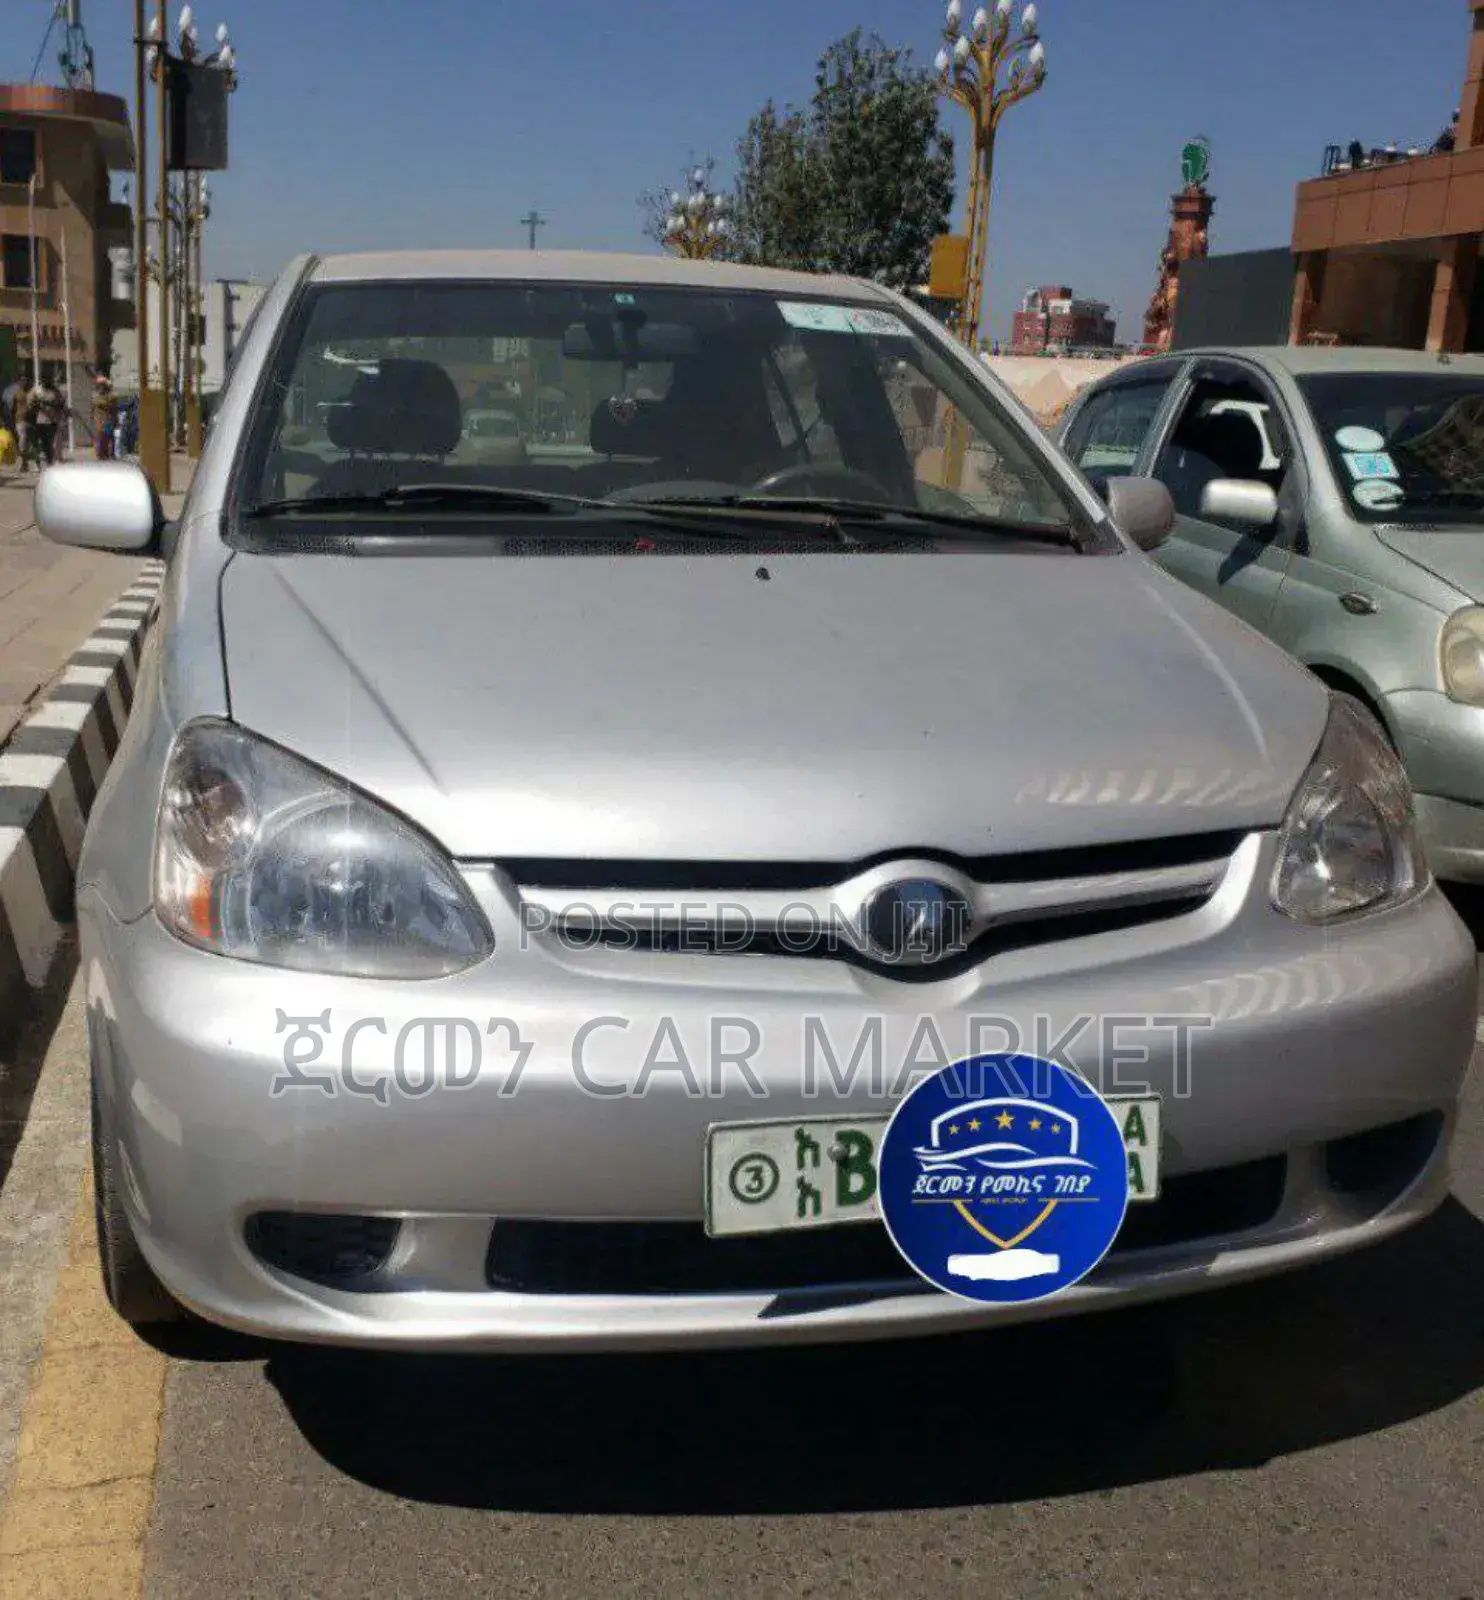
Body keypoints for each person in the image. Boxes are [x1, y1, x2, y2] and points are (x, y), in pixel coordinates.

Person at [28, 370, 62, 468]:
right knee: (44, 443)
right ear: (42, 381)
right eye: (45, 380)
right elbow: (30, 402)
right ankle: (48, 460)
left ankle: (50, 461)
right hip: (40, 421)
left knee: (50, 442)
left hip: (52, 421)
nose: (47, 382)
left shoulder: (55, 391)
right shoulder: (37, 390)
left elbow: (61, 403)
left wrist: (51, 405)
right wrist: (36, 405)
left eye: (48, 380)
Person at [92, 373, 118, 461]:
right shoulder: (96, 395)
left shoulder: (111, 395)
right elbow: (96, 403)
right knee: (100, 440)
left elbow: (112, 406)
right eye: (99, 386)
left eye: (102, 385)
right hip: (99, 422)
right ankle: (100, 456)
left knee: (109, 440)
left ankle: (109, 456)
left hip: (108, 421)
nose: (100, 387)